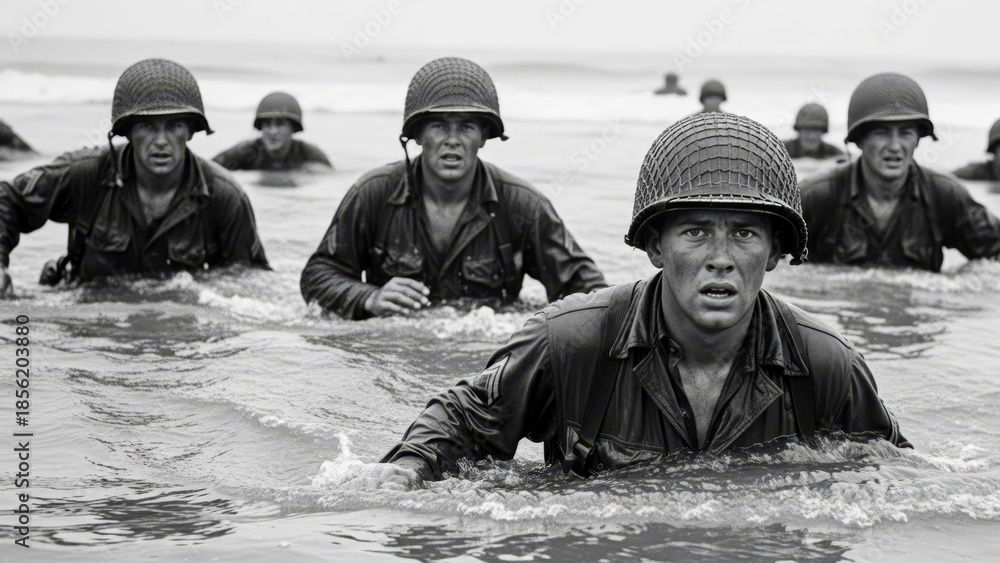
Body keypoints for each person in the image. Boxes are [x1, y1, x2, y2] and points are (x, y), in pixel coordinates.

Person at [368, 113, 908, 485]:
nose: (720, 257)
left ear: (773, 254)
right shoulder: (569, 342)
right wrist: (405, 473)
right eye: (695, 232)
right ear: (655, 246)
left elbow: (895, 471)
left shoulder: (826, 364)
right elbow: (463, 417)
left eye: (744, 234)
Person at [300, 57, 607, 319]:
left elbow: (589, 291)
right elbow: (318, 275)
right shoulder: (373, 193)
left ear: (484, 137)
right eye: (439, 125)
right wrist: (368, 297)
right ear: (417, 134)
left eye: (467, 126)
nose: (452, 139)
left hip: (486, 361)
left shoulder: (522, 205)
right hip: (390, 355)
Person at [0, 58, 269, 296]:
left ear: (190, 131)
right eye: (147, 126)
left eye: (174, 125)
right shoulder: (86, 174)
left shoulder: (224, 196)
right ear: (128, 131)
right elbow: (8, 199)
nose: (161, 141)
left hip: (181, 335)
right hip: (89, 327)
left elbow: (250, 282)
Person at [800, 72, 1000, 271]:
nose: (895, 146)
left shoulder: (944, 194)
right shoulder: (817, 195)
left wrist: (964, 279)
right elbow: (773, 260)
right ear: (859, 140)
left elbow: (995, 252)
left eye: (905, 133)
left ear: (918, 140)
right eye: (881, 133)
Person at [213, 91, 332, 172]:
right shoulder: (247, 151)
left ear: (293, 128)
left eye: (279, 124)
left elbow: (328, 178)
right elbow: (210, 170)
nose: (272, 131)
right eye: (267, 124)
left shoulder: (309, 153)